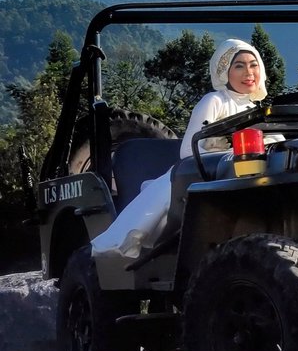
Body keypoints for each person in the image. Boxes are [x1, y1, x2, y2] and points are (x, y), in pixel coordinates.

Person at [93, 38, 274, 260]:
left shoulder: (257, 110)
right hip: (206, 177)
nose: (249, 72)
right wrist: (222, 150)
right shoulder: (214, 101)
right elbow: (188, 152)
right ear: (225, 71)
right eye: (239, 66)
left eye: (253, 65)